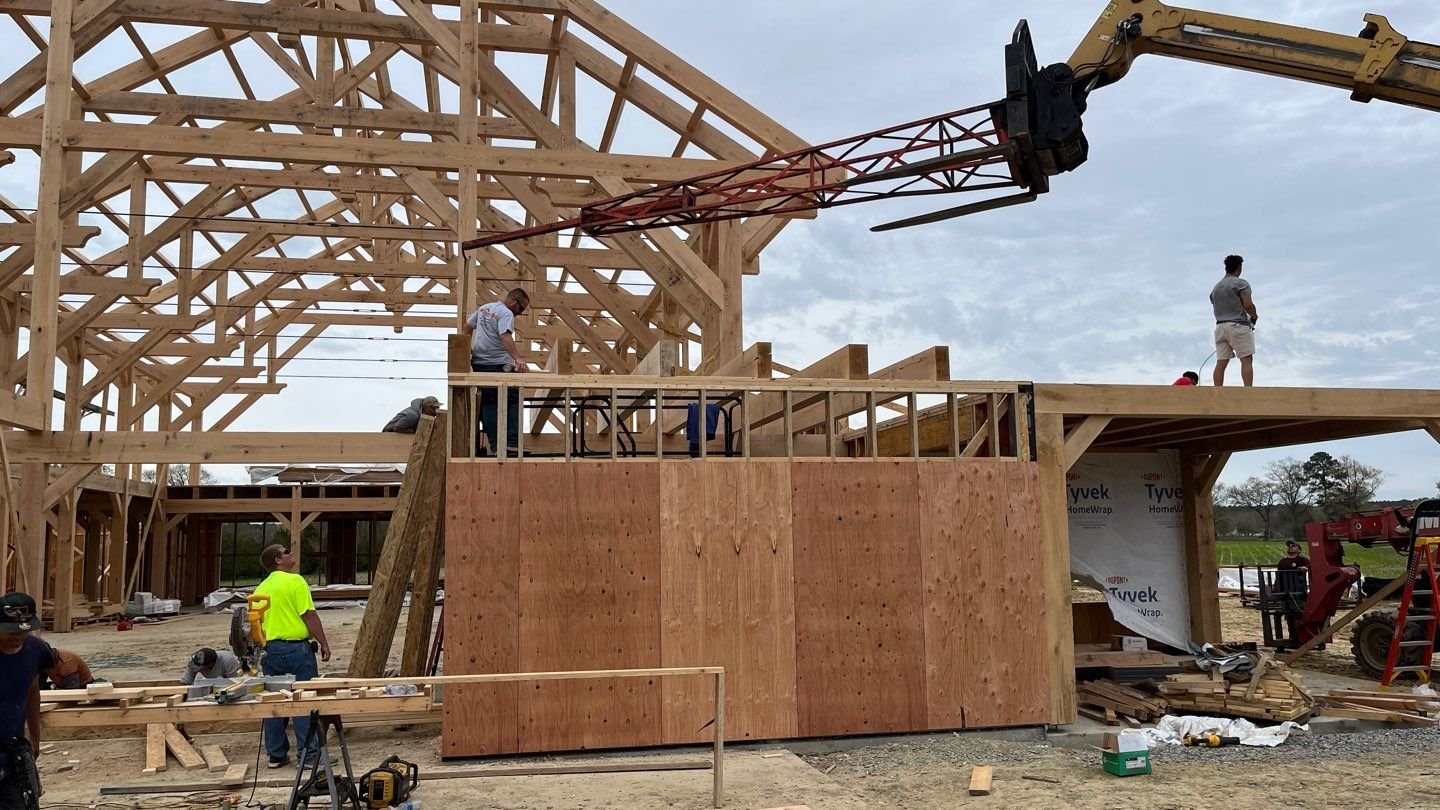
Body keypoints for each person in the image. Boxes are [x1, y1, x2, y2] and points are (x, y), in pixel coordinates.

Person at [253, 544, 331, 769]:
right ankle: (309, 756)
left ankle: (276, 755)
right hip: (296, 650)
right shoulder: (295, 581)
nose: (292, 554)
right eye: (287, 552)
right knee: (303, 700)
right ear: (278, 560)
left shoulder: (261, 588)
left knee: (275, 701)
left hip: (270, 650)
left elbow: (255, 624)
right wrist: (323, 642)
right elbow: (309, 615)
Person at [460, 288, 530, 454]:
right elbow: (505, 337)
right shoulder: (506, 313)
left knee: (489, 403)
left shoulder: (485, 308)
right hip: (499, 365)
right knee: (513, 399)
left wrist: (466, 349)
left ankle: (496, 445)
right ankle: (512, 443)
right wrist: (518, 359)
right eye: (521, 308)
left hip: (480, 365)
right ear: (513, 300)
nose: (520, 312)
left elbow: (467, 327)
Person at [0, 593, 52, 809]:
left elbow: (32, 692)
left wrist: (35, 738)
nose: (18, 636)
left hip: (13, 750)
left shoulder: (36, 650)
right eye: (11, 630)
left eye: (24, 630)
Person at [1210, 254, 1258, 387]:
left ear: (1226, 267)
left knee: (1221, 362)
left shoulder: (1216, 288)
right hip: (1238, 325)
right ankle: (1248, 391)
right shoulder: (1241, 283)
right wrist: (1254, 316)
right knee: (1246, 359)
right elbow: (1248, 305)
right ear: (1239, 267)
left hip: (1220, 327)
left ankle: (1217, 391)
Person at [1275, 540, 1310, 641]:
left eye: (1293, 546)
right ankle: (1292, 636)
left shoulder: (1302, 560)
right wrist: (1276, 586)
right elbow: (1279, 575)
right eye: (1289, 546)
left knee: (1297, 613)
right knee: (1289, 614)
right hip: (1285, 591)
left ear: (1299, 550)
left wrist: (1305, 567)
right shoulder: (1283, 561)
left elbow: (1311, 564)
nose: (1290, 547)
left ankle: (1299, 637)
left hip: (1298, 590)